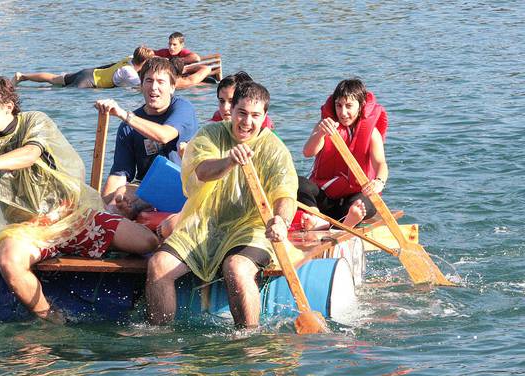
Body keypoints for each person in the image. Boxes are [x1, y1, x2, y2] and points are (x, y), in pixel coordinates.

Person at [0, 76, 158, 323]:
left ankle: (117, 243)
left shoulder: (33, 122)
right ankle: (51, 319)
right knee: (8, 259)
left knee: (147, 242)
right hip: (29, 230)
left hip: (70, 216)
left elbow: (29, 153)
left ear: (8, 107)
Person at [145, 81, 299, 328]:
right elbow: (201, 171)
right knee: (158, 264)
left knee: (236, 266)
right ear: (232, 111)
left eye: (255, 116)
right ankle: (161, 343)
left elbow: (285, 194)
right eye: (242, 113)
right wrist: (228, 161)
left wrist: (280, 220)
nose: (247, 122)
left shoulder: (274, 149)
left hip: (252, 227)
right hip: (205, 224)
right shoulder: (211, 135)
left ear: (265, 117)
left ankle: (248, 340)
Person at [93, 57, 198, 219]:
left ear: (172, 87)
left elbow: (164, 135)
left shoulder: (182, 108)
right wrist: (102, 208)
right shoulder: (128, 128)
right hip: (146, 190)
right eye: (148, 81)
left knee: (125, 195)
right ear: (141, 85)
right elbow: (119, 175)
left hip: (184, 187)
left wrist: (123, 114)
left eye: (160, 82)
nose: (154, 87)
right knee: (118, 196)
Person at [297, 78, 389, 230]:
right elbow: (308, 152)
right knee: (297, 182)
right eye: (338, 106)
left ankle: (347, 220)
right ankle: (317, 218)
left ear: (361, 107)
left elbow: (380, 163)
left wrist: (379, 181)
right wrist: (320, 133)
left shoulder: (372, 132)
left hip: (353, 198)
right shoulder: (325, 125)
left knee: (365, 203)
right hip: (326, 198)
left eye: (349, 106)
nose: (343, 112)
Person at [12, 46, 154, 88]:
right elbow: (142, 88)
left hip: (88, 72)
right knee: (58, 91)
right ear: (144, 62)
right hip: (88, 82)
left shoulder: (128, 59)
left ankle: (22, 76)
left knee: (54, 79)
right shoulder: (130, 73)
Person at [209, 71, 275, 129]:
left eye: (232, 101)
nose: (225, 108)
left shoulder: (262, 127)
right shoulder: (217, 119)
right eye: (222, 101)